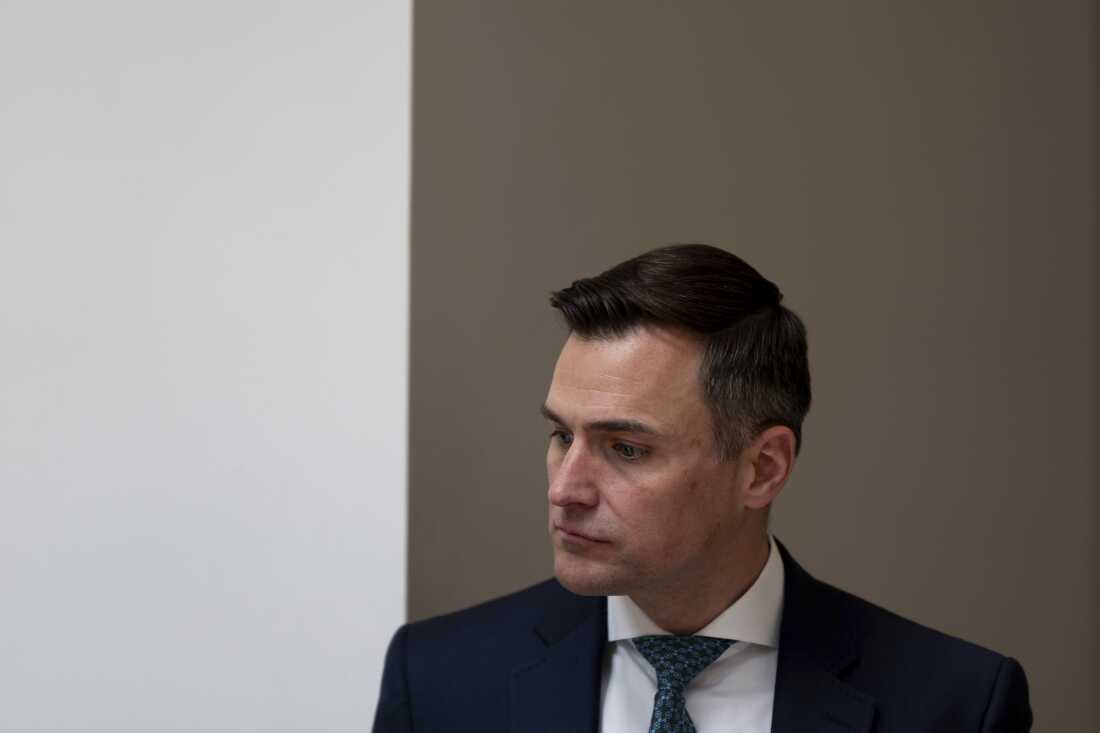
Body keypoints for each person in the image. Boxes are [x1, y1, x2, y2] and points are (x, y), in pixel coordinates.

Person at [372, 244, 1032, 732]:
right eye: (562, 436)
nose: (565, 489)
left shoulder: (954, 704)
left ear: (763, 468)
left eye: (626, 448)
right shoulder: (437, 679)